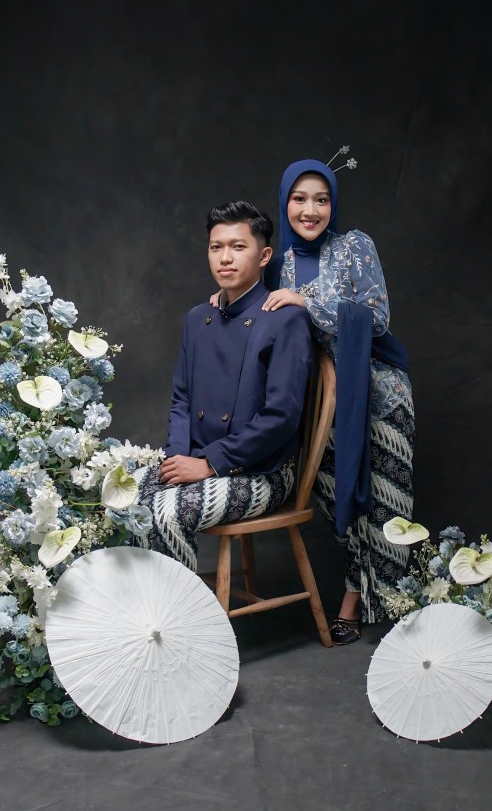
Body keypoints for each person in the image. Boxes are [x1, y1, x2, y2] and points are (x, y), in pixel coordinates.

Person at [260, 157, 414, 644]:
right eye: (299, 199)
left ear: (333, 205)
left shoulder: (353, 246)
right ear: (285, 202)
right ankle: (367, 592)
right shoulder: (276, 264)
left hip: (378, 395)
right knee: (340, 495)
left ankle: (370, 605)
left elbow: (377, 317)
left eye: (321, 200)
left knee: (384, 503)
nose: (310, 210)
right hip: (320, 402)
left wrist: (306, 302)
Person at [134, 200, 313, 571]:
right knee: (120, 499)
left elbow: (281, 417)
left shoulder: (285, 320)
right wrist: (177, 459)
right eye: (216, 247)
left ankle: (177, 609)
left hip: (262, 471)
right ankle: (138, 606)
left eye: (238, 246)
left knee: (165, 513)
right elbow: (181, 400)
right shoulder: (198, 318)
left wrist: (209, 463)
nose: (225, 258)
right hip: (196, 457)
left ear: (264, 256)